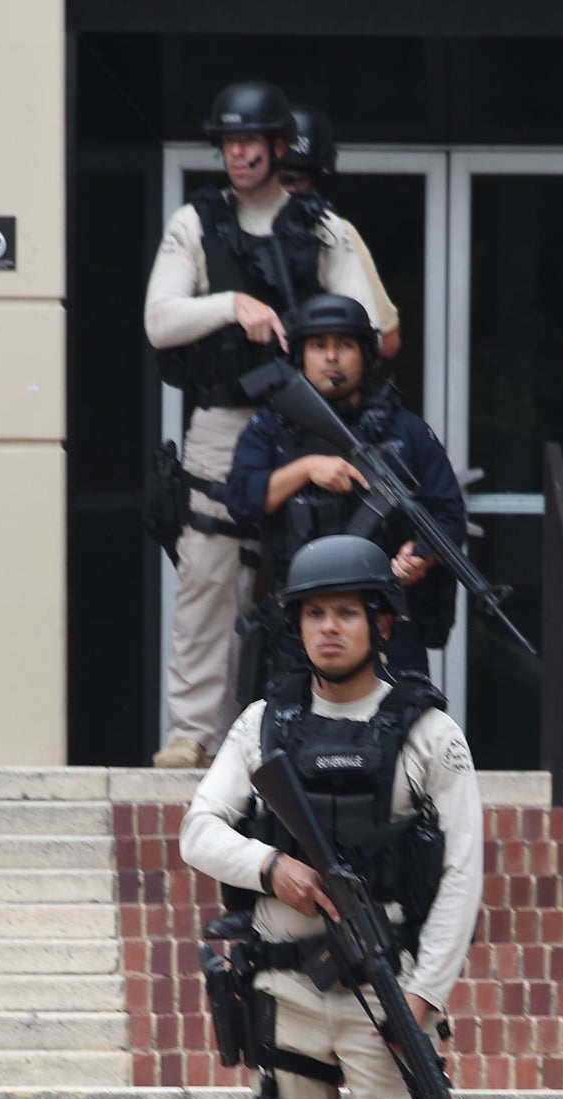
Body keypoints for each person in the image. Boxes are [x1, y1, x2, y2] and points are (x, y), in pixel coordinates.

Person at [180, 534, 483, 1099]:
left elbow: (463, 875)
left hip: (386, 994)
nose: (330, 628)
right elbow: (200, 830)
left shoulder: (430, 731)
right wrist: (273, 868)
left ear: (379, 623)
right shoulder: (263, 724)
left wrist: (423, 998)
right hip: (286, 989)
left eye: (347, 611)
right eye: (314, 613)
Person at [144, 80, 380, 770]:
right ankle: (193, 734)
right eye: (229, 142)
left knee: (313, 569)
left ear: (280, 147)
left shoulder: (320, 226)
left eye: (252, 142)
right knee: (210, 572)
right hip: (223, 418)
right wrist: (232, 304)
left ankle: (307, 731)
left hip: (305, 418)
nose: (239, 153)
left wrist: (310, 336)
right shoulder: (196, 222)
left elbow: (364, 322)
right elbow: (160, 319)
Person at [225, 292, 463, 697]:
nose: (332, 357)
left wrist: (419, 555)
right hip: (296, 621)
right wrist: (305, 470)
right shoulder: (271, 426)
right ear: (300, 355)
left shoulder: (405, 430)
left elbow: (449, 515)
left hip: (385, 620)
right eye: (319, 346)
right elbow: (241, 499)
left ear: (365, 356)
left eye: (345, 345)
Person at [279, 105, 402, 361]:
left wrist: (320, 341)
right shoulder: (222, 228)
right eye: (280, 179)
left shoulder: (333, 232)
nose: (287, 192)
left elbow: (386, 341)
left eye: (297, 180)